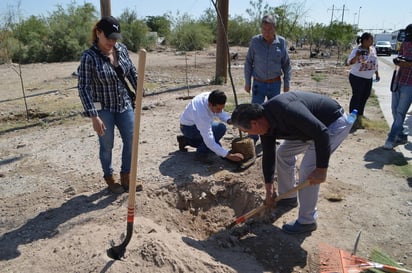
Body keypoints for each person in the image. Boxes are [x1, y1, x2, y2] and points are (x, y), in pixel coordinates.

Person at [230, 91, 352, 234]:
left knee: (308, 170)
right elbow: (269, 155)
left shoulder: (286, 109)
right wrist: (269, 190)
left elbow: (321, 132)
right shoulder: (264, 125)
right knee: (283, 154)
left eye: (246, 130)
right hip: (306, 130)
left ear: (254, 123)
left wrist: (321, 169)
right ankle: (288, 197)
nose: (247, 133)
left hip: (331, 124)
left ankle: (307, 221)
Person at [78, 16, 139, 194]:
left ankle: (126, 175)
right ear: (98, 33)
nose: (112, 42)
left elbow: (132, 72)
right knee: (107, 144)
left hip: (123, 104)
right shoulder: (89, 57)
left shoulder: (121, 50)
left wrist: (139, 88)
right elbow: (83, 88)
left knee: (131, 139)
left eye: (115, 38)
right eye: (108, 37)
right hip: (103, 108)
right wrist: (93, 116)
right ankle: (109, 177)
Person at [244, 14, 292, 142]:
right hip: (259, 84)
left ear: (275, 29)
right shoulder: (255, 41)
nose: (266, 32)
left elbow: (286, 64)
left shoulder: (281, 42)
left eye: (269, 29)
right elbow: (249, 62)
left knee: (274, 112)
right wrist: (247, 82)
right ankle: (252, 138)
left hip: (275, 83)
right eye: (264, 29)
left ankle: (271, 136)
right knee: (255, 111)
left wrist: (287, 83)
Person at [177, 90, 244, 163]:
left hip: (193, 124)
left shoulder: (212, 97)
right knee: (219, 131)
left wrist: (229, 120)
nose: (220, 111)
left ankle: (186, 140)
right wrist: (229, 156)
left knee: (216, 140)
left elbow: (220, 112)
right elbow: (209, 140)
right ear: (210, 104)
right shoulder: (201, 113)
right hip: (188, 128)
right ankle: (200, 154)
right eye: (218, 109)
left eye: (222, 108)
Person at [384, 24, 412, 149]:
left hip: (409, 84)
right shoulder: (405, 43)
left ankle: (391, 138)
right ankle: (401, 134)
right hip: (398, 79)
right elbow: (400, 56)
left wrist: (407, 63)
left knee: (400, 113)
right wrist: (398, 61)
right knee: (394, 110)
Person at [347, 32, 380, 129]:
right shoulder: (357, 49)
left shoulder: (372, 49)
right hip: (357, 77)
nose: (372, 42)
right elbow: (349, 62)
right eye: (371, 39)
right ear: (365, 40)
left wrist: (377, 73)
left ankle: (360, 115)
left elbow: (375, 62)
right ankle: (352, 118)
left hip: (368, 78)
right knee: (357, 97)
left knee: (365, 96)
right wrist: (356, 56)